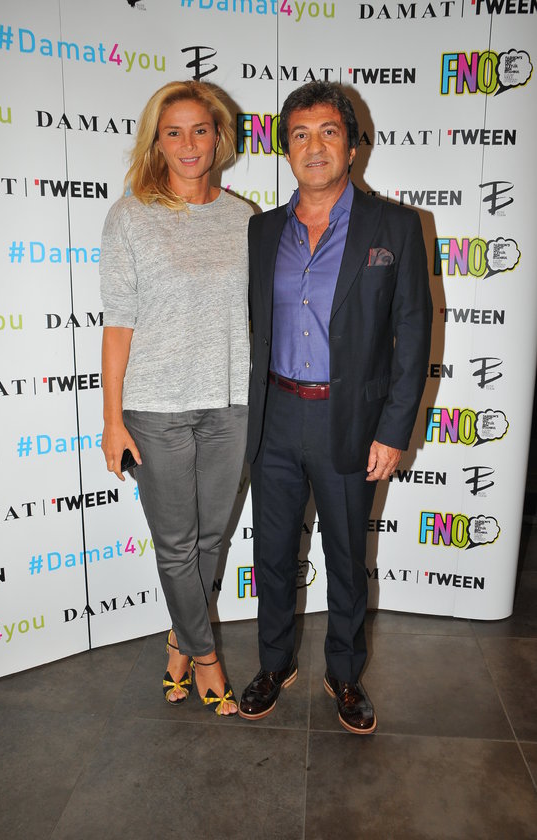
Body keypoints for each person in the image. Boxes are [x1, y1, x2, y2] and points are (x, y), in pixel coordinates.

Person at [238, 81, 432, 733]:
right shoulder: (262, 230)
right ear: (285, 149)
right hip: (275, 418)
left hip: (350, 421)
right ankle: (273, 664)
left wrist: (394, 430)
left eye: (328, 132)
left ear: (351, 146)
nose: (314, 146)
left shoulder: (396, 227)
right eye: (300, 134)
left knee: (348, 556)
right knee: (272, 554)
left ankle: (345, 674)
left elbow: (413, 334)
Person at [100, 80, 253, 716]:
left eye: (200, 130)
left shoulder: (245, 218)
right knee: (176, 544)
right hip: (155, 408)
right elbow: (118, 323)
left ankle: (179, 640)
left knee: (210, 538)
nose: (188, 144)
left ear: (219, 138)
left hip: (230, 401)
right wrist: (112, 421)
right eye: (173, 132)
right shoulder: (130, 215)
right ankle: (206, 656)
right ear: (156, 142)